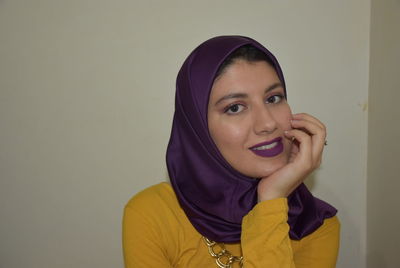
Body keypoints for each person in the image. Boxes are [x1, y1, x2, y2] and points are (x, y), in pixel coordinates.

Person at [123, 35, 340, 267]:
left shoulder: (313, 225)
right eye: (235, 108)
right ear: (198, 129)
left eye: (273, 98)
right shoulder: (153, 215)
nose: (267, 124)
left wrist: (271, 199)